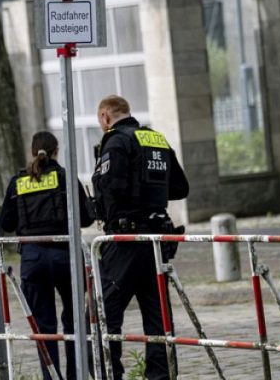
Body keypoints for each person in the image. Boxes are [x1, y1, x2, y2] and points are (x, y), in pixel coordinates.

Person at [91, 95, 189, 380]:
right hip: (158, 239)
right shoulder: (155, 138)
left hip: (126, 240)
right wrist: (150, 193)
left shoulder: (115, 141)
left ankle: (111, 374)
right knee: (157, 315)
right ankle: (159, 376)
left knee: (103, 313)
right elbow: (180, 187)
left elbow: (113, 187)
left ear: (105, 117)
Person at [0, 131, 95, 380]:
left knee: (43, 327)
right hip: (65, 257)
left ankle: (51, 377)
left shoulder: (18, 181)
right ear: (56, 151)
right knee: (75, 323)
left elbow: (7, 223)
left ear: (33, 152)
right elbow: (86, 218)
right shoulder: (64, 177)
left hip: (32, 260)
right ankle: (77, 376)